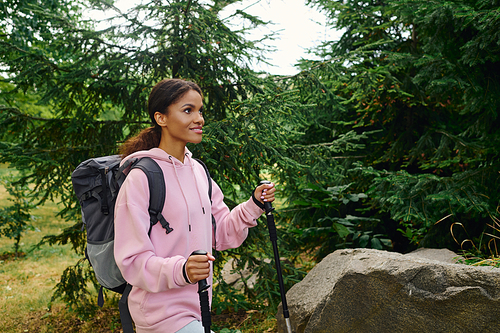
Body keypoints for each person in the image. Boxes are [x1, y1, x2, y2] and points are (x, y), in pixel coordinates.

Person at [114, 78, 275, 333]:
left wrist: (253, 205)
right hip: (159, 315)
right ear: (161, 118)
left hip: (198, 308)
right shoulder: (141, 178)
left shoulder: (199, 172)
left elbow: (221, 235)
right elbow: (131, 261)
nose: (199, 118)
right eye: (188, 110)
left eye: (200, 110)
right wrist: (182, 269)